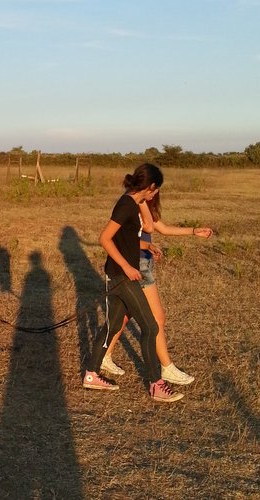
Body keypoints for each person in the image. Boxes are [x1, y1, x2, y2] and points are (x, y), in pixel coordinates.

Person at [83, 163, 183, 403]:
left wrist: (146, 244)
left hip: (121, 274)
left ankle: (91, 375)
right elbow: (105, 238)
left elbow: (145, 229)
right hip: (122, 276)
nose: (156, 194)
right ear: (150, 186)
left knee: (112, 325)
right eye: (155, 189)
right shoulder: (126, 204)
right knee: (150, 326)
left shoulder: (134, 202)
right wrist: (128, 267)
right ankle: (155, 384)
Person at [100, 193, 213, 384]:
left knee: (124, 315)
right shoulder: (132, 205)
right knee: (157, 317)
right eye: (151, 189)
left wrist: (194, 231)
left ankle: (104, 355)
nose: (154, 194)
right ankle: (166, 367)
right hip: (138, 264)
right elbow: (147, 227)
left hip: (144, 261)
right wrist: (143, 204)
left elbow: (163, 228)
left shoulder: (143, 204)